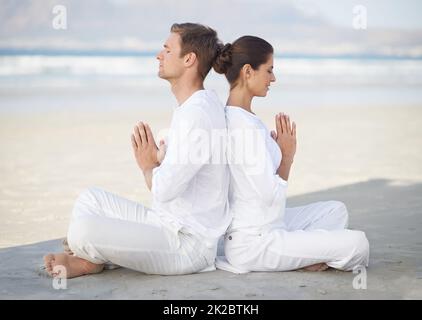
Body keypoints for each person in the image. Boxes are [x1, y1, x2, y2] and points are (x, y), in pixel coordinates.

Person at [43, 23, 230, 278]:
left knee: (81, 232)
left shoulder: (197, 114)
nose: (158, 55)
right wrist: (161, 159)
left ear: (189, 59)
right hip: (167, 223)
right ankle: (93, 259)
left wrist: (148, 165)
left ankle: (90, 261)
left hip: (186, 246)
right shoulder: (197, 105)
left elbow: (163, 190)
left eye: (166, 49)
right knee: (90, 198)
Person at [213, 36, 369, 273]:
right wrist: (286, 158)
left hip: (270, 224)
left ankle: (303, 253)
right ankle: (303, 256)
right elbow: (269, 197)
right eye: (269, 70)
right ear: (247, 72)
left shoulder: (242, 118)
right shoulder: (243, 128)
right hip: (255, 243)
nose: (273, 78)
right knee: (358, 244)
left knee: (335, 210)